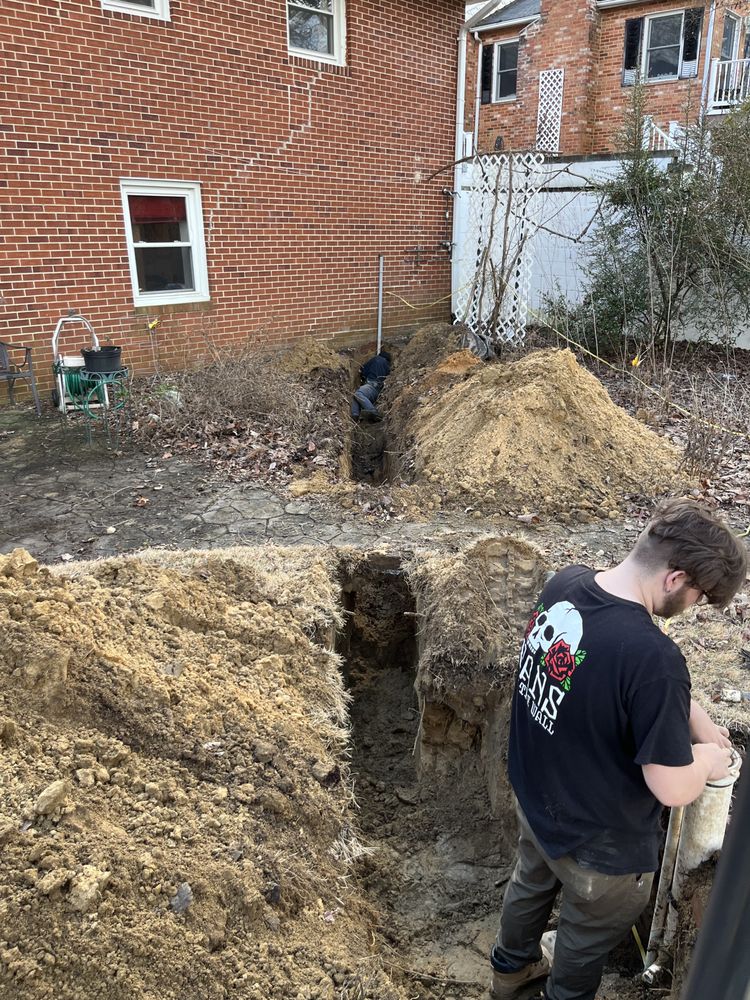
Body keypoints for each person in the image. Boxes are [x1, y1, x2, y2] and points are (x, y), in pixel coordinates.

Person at [489, 498, 748, 1000]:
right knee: (583, 940)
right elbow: (671, 786)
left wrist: (692, 713)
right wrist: (709, 759)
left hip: (538, 800)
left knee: (529, 885)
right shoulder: (653, 659)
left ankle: (508, 971)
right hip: (599, 848)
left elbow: (604, 677)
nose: (692, 607)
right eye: (699, 595)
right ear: (676, 579)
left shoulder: (566, 583)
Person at [351, 348, 391, 422]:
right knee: (356, 396)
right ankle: (355, 416)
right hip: (378, 390)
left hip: (371, 385)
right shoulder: (387, 366)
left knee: (358, 394)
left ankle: (373, 413)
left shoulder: (376, 359)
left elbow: (363, 370)